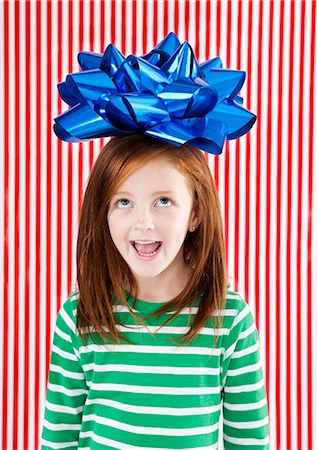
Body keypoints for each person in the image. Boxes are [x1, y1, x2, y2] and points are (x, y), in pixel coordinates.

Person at [41, 34, 269, 449]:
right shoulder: (80, 313)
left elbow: (249, 439)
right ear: (102, 211)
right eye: (123, 202)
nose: (143, 223)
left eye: (163, 201)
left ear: (196, 212)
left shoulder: (229, 316)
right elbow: (58, 437)